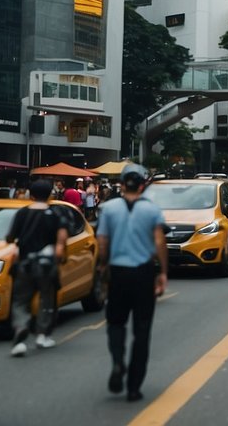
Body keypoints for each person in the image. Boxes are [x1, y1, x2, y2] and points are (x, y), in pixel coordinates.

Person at [96, 163, 167, 402]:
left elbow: (103, 243)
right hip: (143, 274)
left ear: (122, 183)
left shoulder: (109, 209)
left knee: (116, 323)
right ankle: (134, 386)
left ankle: (117, 362)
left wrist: (103, 267)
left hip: (118, 273)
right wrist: (163, 272)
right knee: (142, 330)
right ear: (143, 184)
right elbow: (159, 242)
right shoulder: (152, 210)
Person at [5, 179, 69, 355]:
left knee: (20, 301)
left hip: (25, 263)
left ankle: (20, 330)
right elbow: (62, 238)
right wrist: (60, 253)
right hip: (47, 264)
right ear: (50, 195)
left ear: (30, 195)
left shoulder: (22, 213)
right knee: (47, 299)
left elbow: (10, 237)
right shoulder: (56, 213)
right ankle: (43, 335)